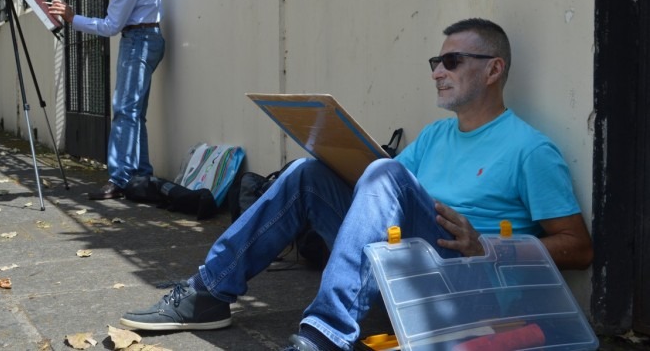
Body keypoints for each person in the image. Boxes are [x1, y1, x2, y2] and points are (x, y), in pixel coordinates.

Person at [118, 18, 593, 351]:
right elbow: (389, 195)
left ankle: (325, 336)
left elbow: (579, 247)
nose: (436, 71)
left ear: (494, 69)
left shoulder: (529, 150)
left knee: (385, 171)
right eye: (435, 60)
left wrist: (484, 244)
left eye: (452, 60)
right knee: (308, 173)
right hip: (407, 272)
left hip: (465, 289)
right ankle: (209, 292)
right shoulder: (435, 135)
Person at [48, 0, 165, 200]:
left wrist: (73, 18)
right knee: (134, 113)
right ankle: (141, 176)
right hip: (144, 38)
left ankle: (120, 179)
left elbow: (112, 26)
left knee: (124, 110)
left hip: (138, 40)